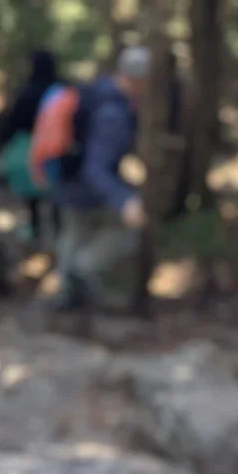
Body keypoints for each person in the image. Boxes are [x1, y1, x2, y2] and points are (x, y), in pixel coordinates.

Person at [51, 46, 151, 311]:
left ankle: (67, 298)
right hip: (86, 186)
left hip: (66, 178)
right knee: (122, 235)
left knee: (73, 236)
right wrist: (124, 200)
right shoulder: (114, 112)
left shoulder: (97, 91)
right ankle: (78, 278)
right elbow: (96, 167)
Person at [0, 48, 59, 244]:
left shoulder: (27, 92)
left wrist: (0, 139)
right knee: (55, 191)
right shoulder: (60, 91)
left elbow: (14, 121)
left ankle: (36, 230)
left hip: (30, 145)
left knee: (32, 193)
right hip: (56, 147)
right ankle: (57, 231)